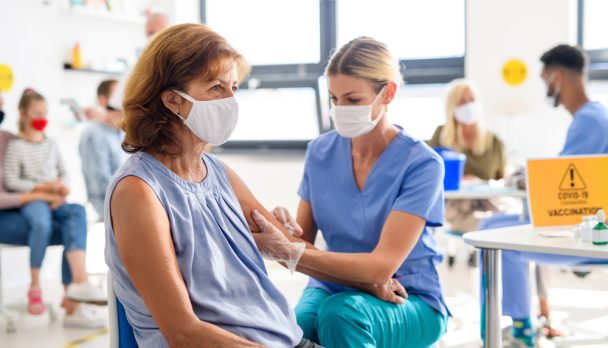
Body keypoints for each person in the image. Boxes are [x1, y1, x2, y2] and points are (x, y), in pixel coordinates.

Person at [105, 23, 333, 348]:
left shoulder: (218, 173)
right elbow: (183, 333)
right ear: (172, 100)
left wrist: (370, 281)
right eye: (215, 88)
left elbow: (289, 246)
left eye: (234, 88)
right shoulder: (139, 192)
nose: (230, 100)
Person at [250, 37, 450, 348]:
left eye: (353, 100)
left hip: (409, 295)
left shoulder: (422, 164)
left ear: (388, 94)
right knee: (293, 328)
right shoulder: (320, 152)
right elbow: (301, 244)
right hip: (331, 286)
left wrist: (291, 250)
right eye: (334, 98)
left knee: (340, 316)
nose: (340, 109)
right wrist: (283, 231)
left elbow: (382, 267)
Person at [479, 44, 608, 347]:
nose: (544, 88)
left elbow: (567, 185)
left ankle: (522, 328)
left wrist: (529, 180)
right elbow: (569, 169)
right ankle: (510, 321)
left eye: (544, 79)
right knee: (488, 229)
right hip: (580, 223)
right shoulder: (592, 117)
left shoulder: (589, 120)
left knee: (500, 244)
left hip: (585, 231)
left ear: (557, 78)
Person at [0, 90, 105, 328]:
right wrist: (42, 190)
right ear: (23, 114)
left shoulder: (46, 143)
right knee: (42, 223)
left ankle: (78, 286)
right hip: (32, 202)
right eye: (37, 114)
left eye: (44, 114)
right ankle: (37, 284)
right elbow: (12, 183)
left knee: (76, 213)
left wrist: (61, 189)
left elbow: (64, 172)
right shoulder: (15, 145)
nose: (42, 118)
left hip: (52, 199)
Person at [428, 80, 506, 233]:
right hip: (455, 207)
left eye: (472, 100)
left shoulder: (494, 141)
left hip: (489, 203)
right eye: (462, 102)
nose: (468, 106)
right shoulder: (441, 136)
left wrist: (482, 182)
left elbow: (503, 180)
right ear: (452, 107)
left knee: (502, 222)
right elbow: (430, 174)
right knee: (488, 228)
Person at [79, 80, 127, 219]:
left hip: (126, 195)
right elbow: (101, 183)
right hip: (108, 202)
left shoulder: (121, 133)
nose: (123, 101)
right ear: (104, 100)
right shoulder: (94, 135)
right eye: (118, 96)